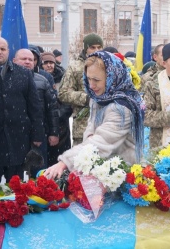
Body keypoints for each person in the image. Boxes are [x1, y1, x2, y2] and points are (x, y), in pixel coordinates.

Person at [43, 51, 144, 179]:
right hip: (103, 171)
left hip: (122, 175)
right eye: (88, 78)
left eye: (96, 80)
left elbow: (101, 143)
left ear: (112, 78)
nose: (91, 85)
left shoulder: (121, 107)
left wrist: (65, 162)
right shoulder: (100, 98)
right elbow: (91, 130)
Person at [0, 37, 44, 185]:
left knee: (16, 187)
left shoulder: (23, 74)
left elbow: (34, 107)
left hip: (17, 140)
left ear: (8, 51)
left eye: (2, 49)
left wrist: (37, 134)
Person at [13, 49, 59, 176]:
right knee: (16, 175)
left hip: (38, 135)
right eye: (24, 59)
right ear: (14, 61)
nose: (28, 62)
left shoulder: (43, 80)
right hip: (14, 136)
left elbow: (52, 109)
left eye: (31, 60)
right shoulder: (7, 80)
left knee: (38, 173)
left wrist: (53, 132)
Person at [58, 33, 103, 145]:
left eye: (99, 47)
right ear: (85, 48)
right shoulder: (75, 67)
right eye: (92, 47)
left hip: (105, 126)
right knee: (82, 160)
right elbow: (63, 93)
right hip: (83, 125)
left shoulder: (108, 65)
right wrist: (86, 98)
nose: (96, 50)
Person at [40, 52, 73, 167]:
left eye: (51, 62)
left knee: (60, 160)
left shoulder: (63, 78)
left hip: (61, 126)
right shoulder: (38, 77)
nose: (49, 65)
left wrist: (57, 115)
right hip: (44, 125)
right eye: (46, 63)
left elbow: (68, 102)